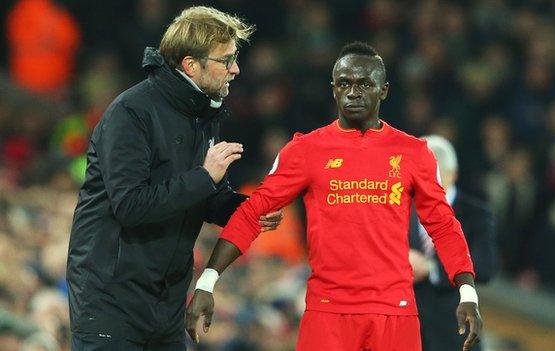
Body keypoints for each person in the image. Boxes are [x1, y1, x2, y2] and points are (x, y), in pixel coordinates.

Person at [186, 41, 483, 351]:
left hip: (394, 312)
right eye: (345, 83)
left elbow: (444, 226)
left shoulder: (414, 153)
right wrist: (208, 281)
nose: (353, 92)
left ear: (384, 90)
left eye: (365, 83)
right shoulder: (304, 151)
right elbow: (252, 212)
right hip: (328, 312)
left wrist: (468, 292)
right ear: (333, 89)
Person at [66, 6, 283, 350]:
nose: (236, 69)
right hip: (111, 302)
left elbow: (203, 195)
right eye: (225, 60)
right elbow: (130, 206)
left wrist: (250, 209)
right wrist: (204, 177)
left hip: (165, 303)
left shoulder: (201, 113)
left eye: (235, 58)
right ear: (190, 65)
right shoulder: (131, 113)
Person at [409, 135, 497, 351]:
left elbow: (485, 267)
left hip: (450, 334)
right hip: (402, 328)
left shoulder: (476, 215)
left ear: (453, 175)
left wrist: (432, 268)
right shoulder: (398, 205)